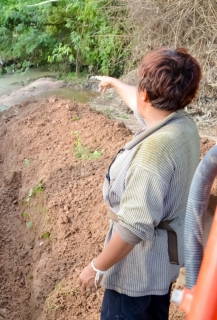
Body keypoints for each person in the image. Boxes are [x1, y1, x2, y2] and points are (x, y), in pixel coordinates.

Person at [77, 48, 202, 320]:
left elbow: (133, 227)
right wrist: (114, 82)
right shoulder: (182, 125)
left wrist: (96, 267)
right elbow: (140, 104)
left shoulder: (153, 153)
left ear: (146, 94)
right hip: (162, 264)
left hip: (136, 274)